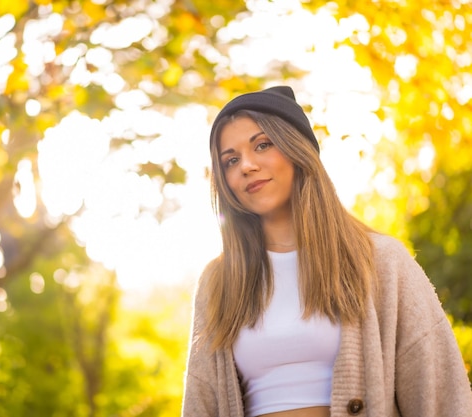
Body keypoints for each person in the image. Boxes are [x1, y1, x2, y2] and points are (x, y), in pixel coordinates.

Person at [181, 85, 472, 417]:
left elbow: (441, 395)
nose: (246, 165)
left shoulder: (381, 262)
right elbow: (200, 403)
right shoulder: (218, 282)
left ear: (298, 150)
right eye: (230, 160)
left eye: (262, 145)